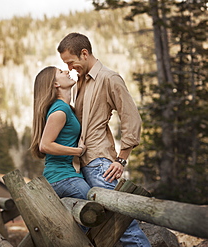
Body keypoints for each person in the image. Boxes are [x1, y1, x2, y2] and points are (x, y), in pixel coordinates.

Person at [57, 32, 151, 246]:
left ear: (84, 53)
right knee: (98, 227)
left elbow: (131, 117)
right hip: (83, 165)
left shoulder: (109, 78)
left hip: (100, 164)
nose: (70, 69)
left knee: (123, 228)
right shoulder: (81, 81)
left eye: (71, 63)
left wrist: (122, 159)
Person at [30, 66, 91, 205]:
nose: (67, 71)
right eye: (60, 72)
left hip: (63, 177)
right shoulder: (60, 110)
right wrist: (78, 151)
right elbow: (45, 145)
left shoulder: (65, 108)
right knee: (99, 212)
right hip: (64, 178)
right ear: (55, 84)